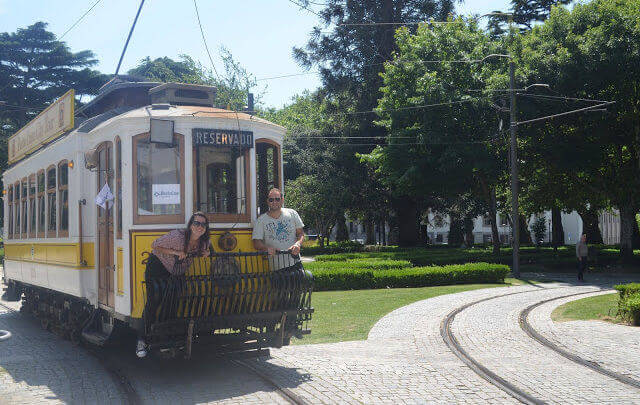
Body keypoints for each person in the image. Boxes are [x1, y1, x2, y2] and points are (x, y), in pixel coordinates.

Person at [136, 212, 211, 358]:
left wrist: (207, 252)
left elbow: (208, 250)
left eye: (203, 224)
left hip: (177, 272)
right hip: (158, 267)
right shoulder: (178, 237)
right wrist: (176, 252)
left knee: (173, 302)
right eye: (196, 223)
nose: (199, 227)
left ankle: (165, 337)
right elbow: (155, 245)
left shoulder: (204, 241)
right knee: (154, 302)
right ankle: (141, 340)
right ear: (190, 225)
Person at [252, 188, 305, 269]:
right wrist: (266, 248)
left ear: (282, 200)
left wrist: (298, 244)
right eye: (271, 200)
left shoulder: (292, 213)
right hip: (276, 268)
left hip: (295, 262)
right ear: (267, 201)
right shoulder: (260, 221)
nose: (274, 202)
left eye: (277, 199)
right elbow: (256, 243)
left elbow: (300, 233)